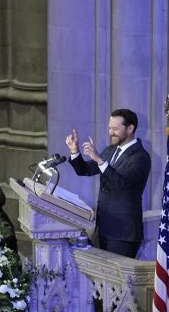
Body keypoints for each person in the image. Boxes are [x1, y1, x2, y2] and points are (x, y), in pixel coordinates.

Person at [65, 108, 152, 258]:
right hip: (103, 228)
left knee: (116, 279)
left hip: (123, 234)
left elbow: (121, 184)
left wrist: (99, 159)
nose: (111, 132)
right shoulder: (111, 150)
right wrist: (75, 152)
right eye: (110, 128)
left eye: (115, 129)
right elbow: (85, 170)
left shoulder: (141, 157)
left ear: (130, 128)